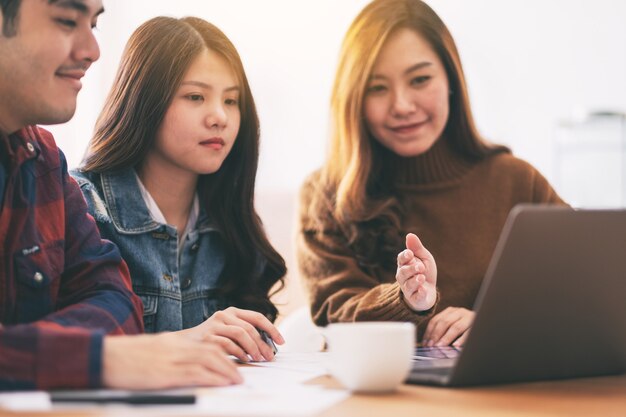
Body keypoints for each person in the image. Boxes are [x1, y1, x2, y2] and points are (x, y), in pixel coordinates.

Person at [0, 0, 240, 390]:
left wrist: (33, 354)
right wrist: (88, 357)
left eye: (93, 25)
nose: (93, 51)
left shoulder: (42, 161)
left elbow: (114, 299)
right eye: (66, 20)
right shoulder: (85, 191)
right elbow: (110, 340)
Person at [297, 0, 565, 348]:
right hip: (376, 394)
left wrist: (493, 326)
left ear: (451, 79)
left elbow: (583, 290)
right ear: (353, 99)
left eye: (420, 79)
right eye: (377, 88)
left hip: (500, 395)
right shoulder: (326, 194)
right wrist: (407, 300)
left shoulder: (516, 181)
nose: (402, 105)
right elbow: (335, 311)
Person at [71, 16, 286, 363]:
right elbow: (68, 352)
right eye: (196, 96)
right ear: (145, 102)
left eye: (232, 101)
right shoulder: (83, 206)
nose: (220, 117)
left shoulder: (234, 222)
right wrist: (191, 341)